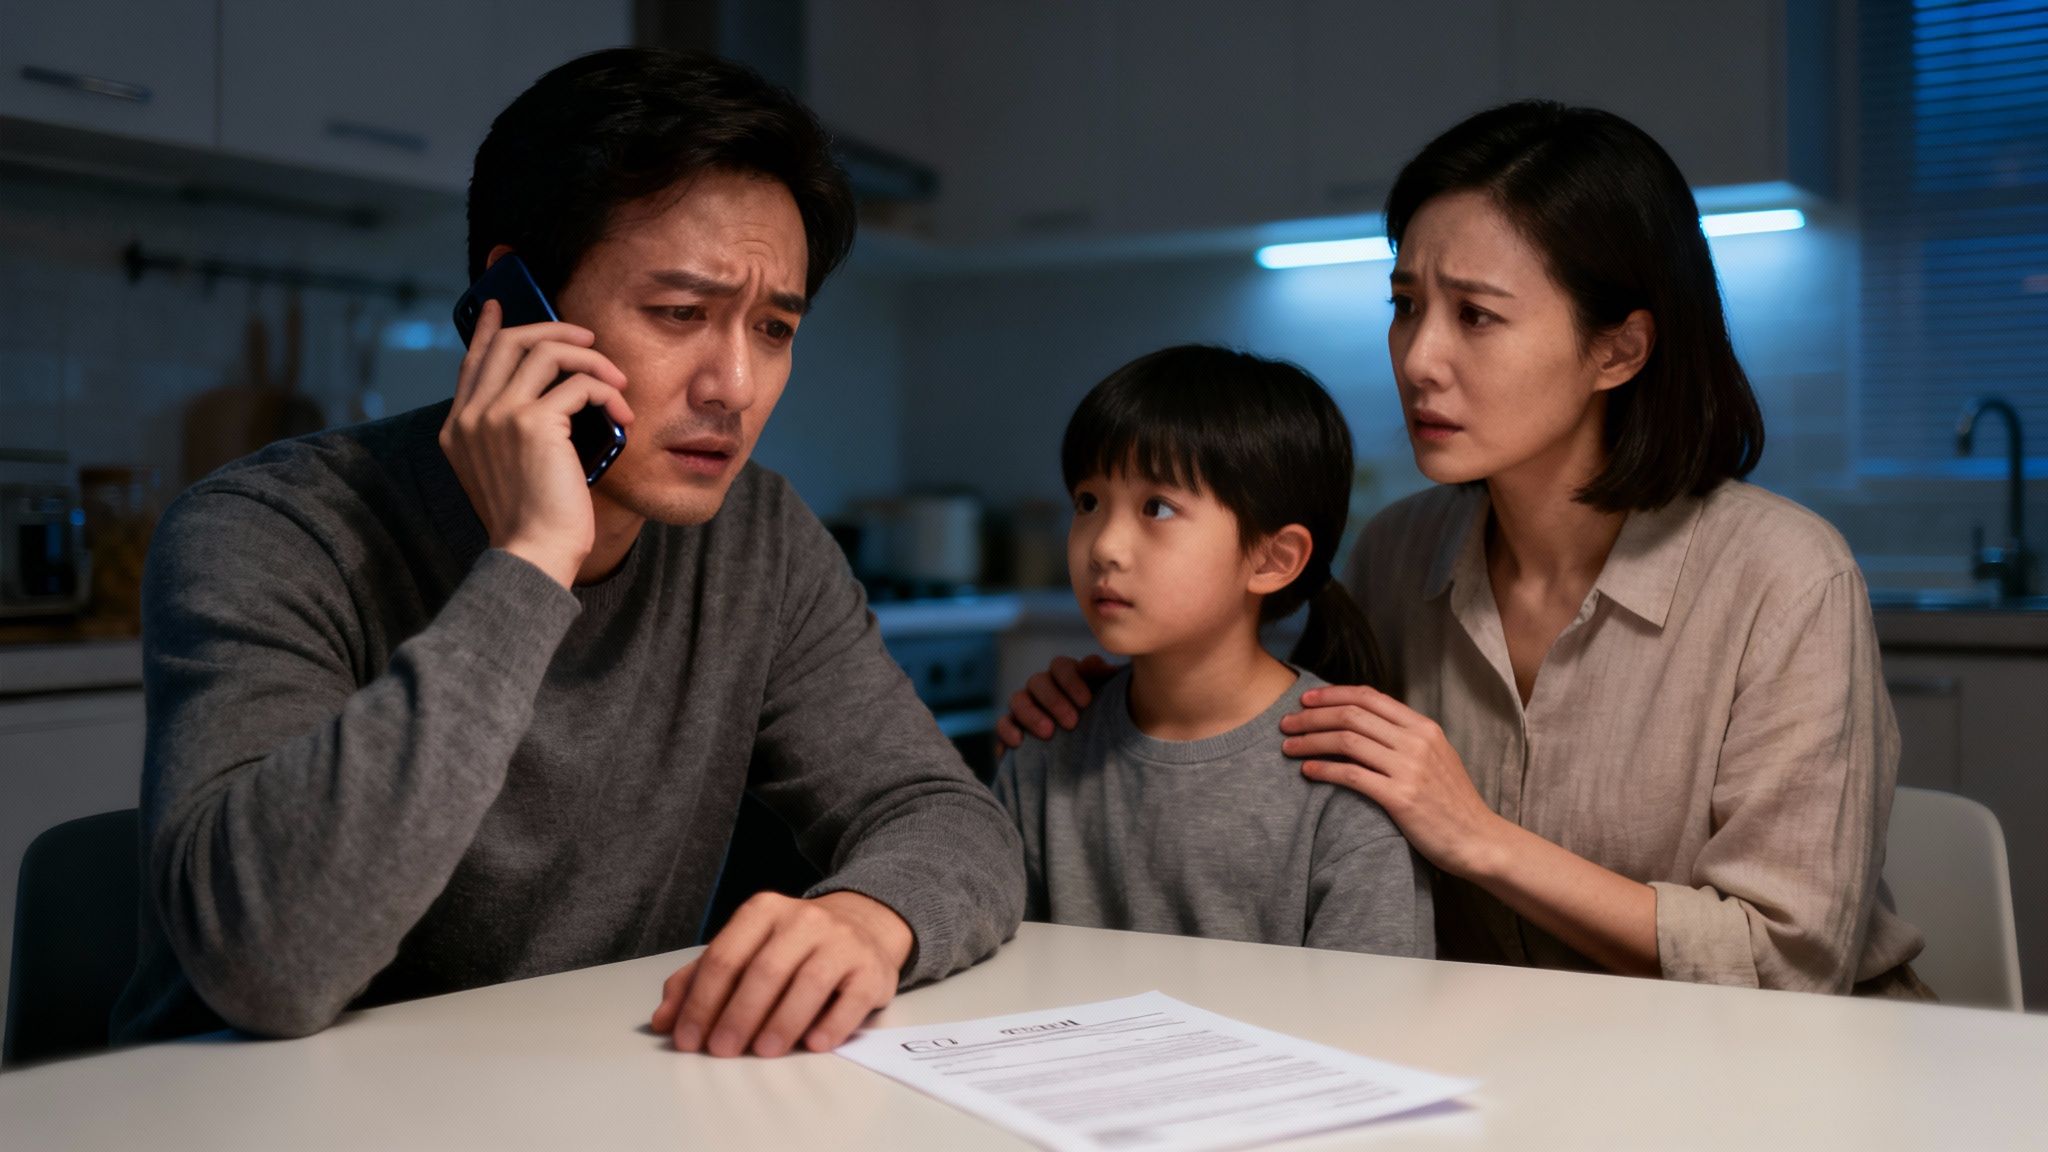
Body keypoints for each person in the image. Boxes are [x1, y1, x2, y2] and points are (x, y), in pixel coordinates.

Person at [112, 48, 1024, 1056]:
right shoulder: (267, 532)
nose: (735, 383)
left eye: (772, 327)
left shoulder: (757, 540)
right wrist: (532, 556)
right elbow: (269, 965)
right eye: (680, 314)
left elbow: (946, 817)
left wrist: (866, 917)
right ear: (510, 308)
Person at [1001, 101, 1929, 997]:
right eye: (1406, 305)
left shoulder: (1787, 578)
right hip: (1504, 1058)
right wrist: (1114, 705)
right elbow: (1275, 745)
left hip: (1770, 1070)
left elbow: (1787, 965)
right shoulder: (1400, 551)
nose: (1417, 357)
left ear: (1619, 350)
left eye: (1475, 316)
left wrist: (1477, 835)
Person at [995, 345, 1432, 959]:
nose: (1105, 547)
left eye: (1159, 508)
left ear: (1272, 559)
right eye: (1088, 503)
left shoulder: (1342, 778)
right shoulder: (1044, 754)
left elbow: (1374, 1026)